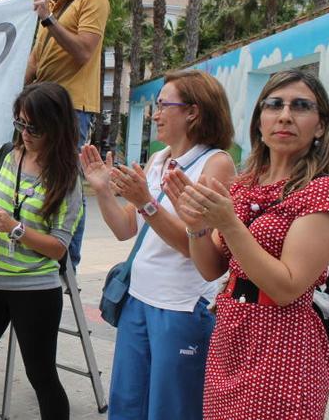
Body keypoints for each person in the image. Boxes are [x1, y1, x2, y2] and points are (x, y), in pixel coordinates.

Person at [164, 69, 329, 420]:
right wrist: (196, 228)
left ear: (321, 126)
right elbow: (212, 267)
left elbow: (287, 287)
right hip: (230, 339)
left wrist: (228, 223)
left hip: (284, 349)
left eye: (300, 106)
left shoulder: (325, 190)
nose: (285, 115)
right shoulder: (245, 183)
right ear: (259, 121)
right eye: (274, 105)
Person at [81, 70, 235, 419]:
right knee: (127, 405)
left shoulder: (216, 163)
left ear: (193, 112)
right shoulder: (159, 159)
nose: (156, 114)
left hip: (181, 306)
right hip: (139, 299)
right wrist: (104, 189)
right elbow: (125, 229)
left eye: (165, 104)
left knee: (172, 409)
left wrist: (147, 202)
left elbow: (198, 248)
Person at [0, 82, 83, 420]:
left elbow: (59, 248)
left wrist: (14, 228)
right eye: (19, 122)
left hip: (35, 289)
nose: (25, 132)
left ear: (56, 125)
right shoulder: (6, 154)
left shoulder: (66, 177)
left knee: (42, 377)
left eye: (33, 126)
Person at [24, 0, 109, 269]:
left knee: (67, 185)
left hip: (72, 109)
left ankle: (66, 263)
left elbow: (83, 52)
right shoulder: (51, 6)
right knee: (37, 181)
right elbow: (35, 61)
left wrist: (48, 19)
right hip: (39, 108)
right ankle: (42, 251)